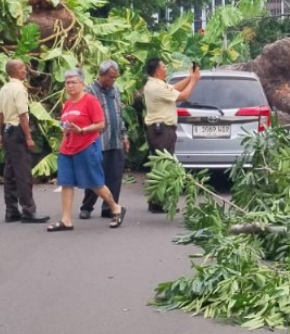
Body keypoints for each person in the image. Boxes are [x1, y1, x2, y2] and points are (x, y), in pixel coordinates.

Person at [48, 68, 125, 231]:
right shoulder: (67, 103)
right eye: (67, 83)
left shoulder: (90, 101)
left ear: (82, 83)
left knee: (95, 183)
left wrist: (82, 130)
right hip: (67, 148)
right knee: (66, 183)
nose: (70, 86)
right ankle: (66, 220)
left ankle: (115, 208)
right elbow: (65, 124)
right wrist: (66, 133)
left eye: (73, 82)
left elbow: (101, 124)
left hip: (87, 146)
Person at [142, 56, 201, 212]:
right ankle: (158, 202)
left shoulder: (157, 84)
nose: (166, 68)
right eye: (164, 67)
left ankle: (156, 201)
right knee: (164, 167)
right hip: (161, 130)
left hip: (160, 129)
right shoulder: (156, 87)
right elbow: (182, 96)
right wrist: (194, 81)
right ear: (157, 71)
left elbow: (174, 89)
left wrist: (189, 78)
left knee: (161, 166)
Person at [0, 60, 48, 224]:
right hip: (18, 131)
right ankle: (28, 211)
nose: (25, 70)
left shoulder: (4, 88)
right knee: (23, 172)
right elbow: (23, 115)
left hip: (7, 130)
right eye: (22, 68)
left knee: (10, 171)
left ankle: (11, 210)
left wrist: (0, 134)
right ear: (16, 71)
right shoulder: (19, 89)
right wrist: (28, 137)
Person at [80, 60, 130, 220]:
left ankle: (110, 207)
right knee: (95, 176)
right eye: (111, 77)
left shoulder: (115, 90)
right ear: (102, 76)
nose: (114, 80)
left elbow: (118, 114)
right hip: (97, 141)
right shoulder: (89, 92)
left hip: (115, 140)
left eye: (115, 77)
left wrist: (124, 135)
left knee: (115, 176)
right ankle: (86, 207)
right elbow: (85, 117)